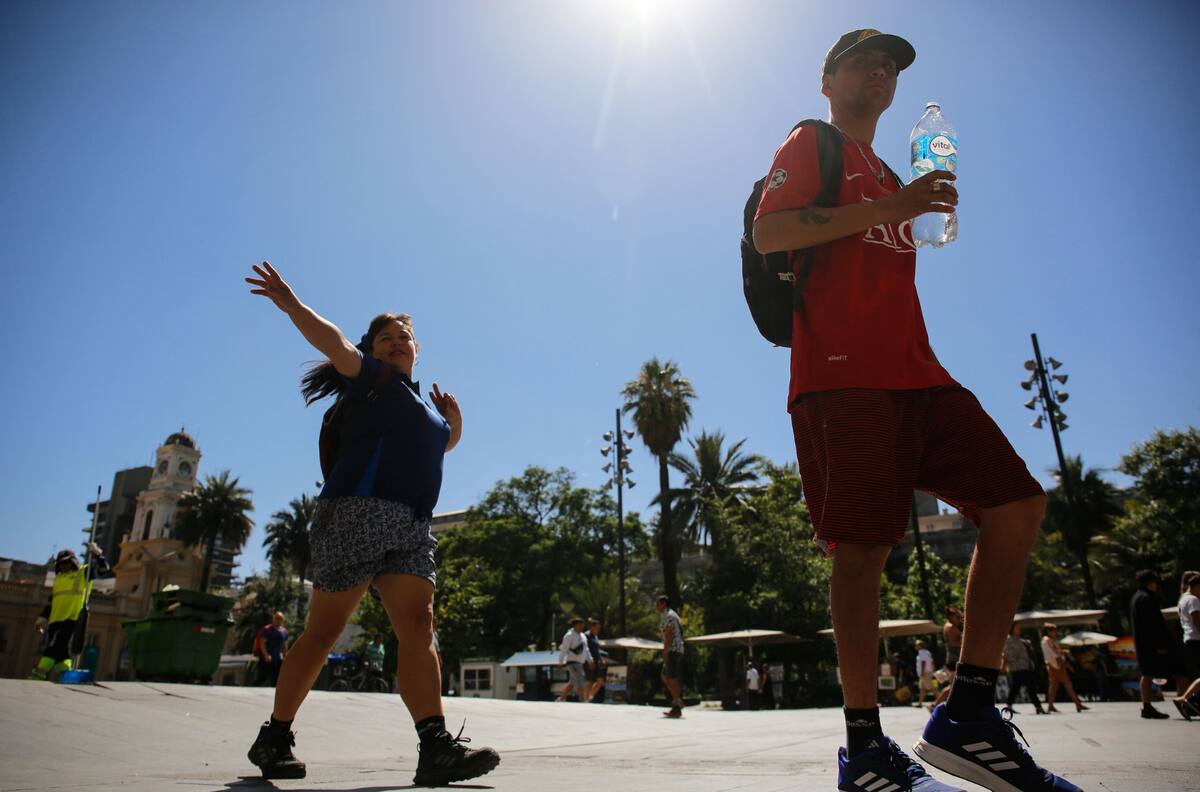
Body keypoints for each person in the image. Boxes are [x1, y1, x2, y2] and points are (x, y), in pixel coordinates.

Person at [752, 28, 1078, 792]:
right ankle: (863, 747)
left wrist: (906, 205)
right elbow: (770, 231)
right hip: (843, 373)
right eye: (867, 61)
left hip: (918, 374)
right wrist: (893, 206)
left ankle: (967, 712)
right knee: (864, 548)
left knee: (1017, 504)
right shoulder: (812, 142)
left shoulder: (896, 169)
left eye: (892, 66)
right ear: (828, 78)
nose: (883, 72)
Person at [242, 261, 499, 785]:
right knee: (323, 633)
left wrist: (455, 425)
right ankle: (275, 735)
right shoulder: (371, 381)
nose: (397, 341)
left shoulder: (421, 409)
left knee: (419, 627)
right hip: (355, 514)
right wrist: (292, 304)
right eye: (385, 337)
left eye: (404, 336)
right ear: (372, 349)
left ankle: (435, 748)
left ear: (417, 350)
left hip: (410, 525)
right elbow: (335, 344)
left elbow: (438, 446)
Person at [29, 544, 108, 681]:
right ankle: (67, 675)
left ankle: (40, 672)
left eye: (66, 562)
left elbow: (104, 570)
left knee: (54, 645)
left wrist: (97, 555)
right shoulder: (59, 579)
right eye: (60, 563)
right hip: (55, 620)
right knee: (61, 651)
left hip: (72, 618)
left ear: (73, 562)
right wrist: (42, 617)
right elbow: (51, 601)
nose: (63, 566)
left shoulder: (83, 573)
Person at [1130, 569, 1189, 719]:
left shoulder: (1137, 597)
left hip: (1143, 644)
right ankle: (1186, 703)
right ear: (1152, 582)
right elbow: (1153, 624)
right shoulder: (1147, 599)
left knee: (1147, 674)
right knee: (1180, 672)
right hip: (1157, 644)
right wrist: (1160, 644)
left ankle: (1147, 706)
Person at [1039, 623, 1086, 713]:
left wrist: (1062, 652)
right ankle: (1077, 704)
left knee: (1054, 686)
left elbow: (1054, 652)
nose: (1055, 632)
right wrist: (1063, 662)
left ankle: (1051, 705)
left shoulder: (1049, 640)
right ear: (1048, 631)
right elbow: (1054, 654)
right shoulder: (1047, 640)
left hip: (1054, 664)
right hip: (1056, 665)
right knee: (1067, 684)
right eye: (1053, 630)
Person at [1002, 624, 1044, 715]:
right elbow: (1007, 655)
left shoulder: (1020, 640)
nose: (1019, 629)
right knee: (1026, 687)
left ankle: (1009, 706)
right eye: (1017, 628)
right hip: (1017, 668)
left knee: (1020, 687)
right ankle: (1038, 706)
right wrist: (1007, 666)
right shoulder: (1009, 640)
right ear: (1012, 629)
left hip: (1025, 666)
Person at [656, 595, 685, 718]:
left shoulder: (670, 616)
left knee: (671, 677)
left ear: (663, 604)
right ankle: (677, 700)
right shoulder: (666, 615)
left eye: (658, 604)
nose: (656, 607)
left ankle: (677, 704)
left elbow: (669, 634)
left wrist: (665, 650)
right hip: (672, 649)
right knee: (665, 675)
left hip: (673, 649)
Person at [930, 607, 963, 710]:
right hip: (953, 659)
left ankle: (939, 705)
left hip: (953, 659)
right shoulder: (950, 627)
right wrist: (964, 638)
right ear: (951, 617)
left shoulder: (951, 626)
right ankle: (935, 705)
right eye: (957, 617)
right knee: (953, 686)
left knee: (954, 686)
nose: (960, 619)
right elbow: (954, 643)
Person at [557, 618, 591, 702]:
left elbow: (586, 649)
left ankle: (561, 699)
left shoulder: (583, 636)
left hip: (580, 662)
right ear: (574, 626)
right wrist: (560, 662)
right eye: (579, 625)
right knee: (580, 678)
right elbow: (564, 649)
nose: (581, 627)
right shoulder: (569, 635)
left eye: (582, 625)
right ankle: (583, 700)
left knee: (572, 683)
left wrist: (590, 660)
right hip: (572, 662)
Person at [253, 612, 289, 688]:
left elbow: (284, 645)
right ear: (273, 619)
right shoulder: (267, 629)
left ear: (283, 620)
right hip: (266, 658)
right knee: (262, 678)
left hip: (278, 658)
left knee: (276, 680)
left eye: (280, 619)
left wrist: (285, 656)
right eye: (276, 618)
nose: (278, 620)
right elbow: (262, 643)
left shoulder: (284, 631)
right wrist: (266, 655)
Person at [1178, 571, 1200, 680]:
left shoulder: (1184, 598)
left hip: (1189, 639)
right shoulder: (1193, 600)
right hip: (1197, 639)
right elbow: (1197, 620)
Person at [584, 618, 607, 703]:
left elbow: (597, 650)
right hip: (588, 662)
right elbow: (585, 650)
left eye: (599, 628)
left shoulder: (595, 637)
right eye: (596, 628)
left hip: (596, 661)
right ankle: (586, 700)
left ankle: (590, 696)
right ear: (591, 627)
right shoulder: (585, 636)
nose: (598, 630)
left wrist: (601, 659)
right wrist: (589, 661)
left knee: (600, 681)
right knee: (590, 681)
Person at [914, 640, 936, 709]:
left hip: (925, 673)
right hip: (927, 672)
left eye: (916, 645)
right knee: (922, 689)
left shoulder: (922, 652)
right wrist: (933, 670)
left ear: (920, 646)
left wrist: (922, 672)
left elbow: (923, 662)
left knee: (932, 688)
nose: (915, 646)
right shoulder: (927, 652)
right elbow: (932, 661)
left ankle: (940, 700)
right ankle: (920, 703)